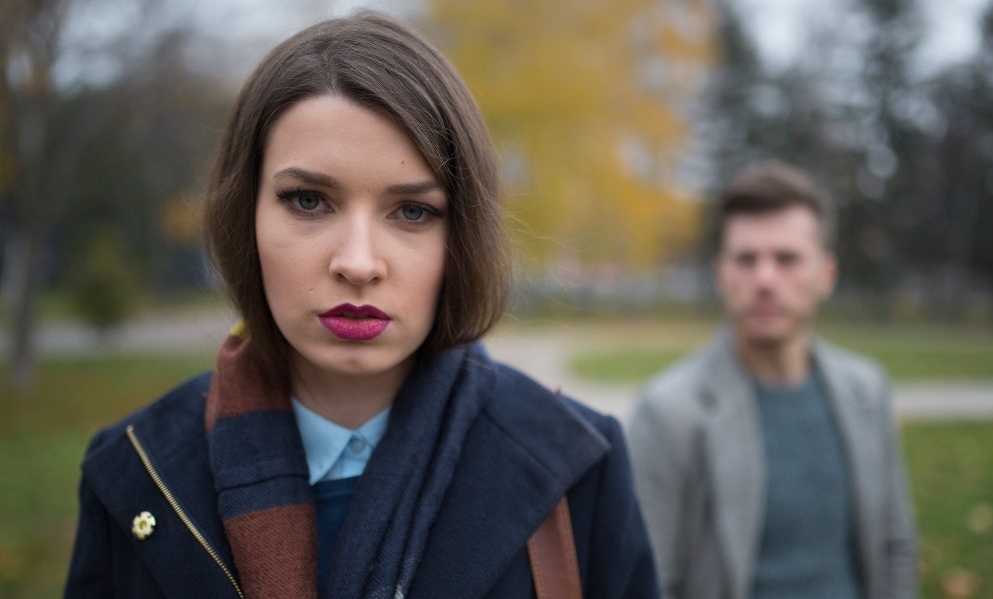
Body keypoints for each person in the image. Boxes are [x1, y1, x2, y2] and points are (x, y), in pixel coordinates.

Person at [64, 12, 657, 598]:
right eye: (308, 201)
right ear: (246, 214)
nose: (358, 262)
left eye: (413, 211)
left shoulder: (577, 465)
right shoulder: (136, 471)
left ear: (462, 236)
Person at [626, 161, 917, 599]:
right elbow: (648, 584)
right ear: (721, 274)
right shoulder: (667, 413)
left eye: (787, 258)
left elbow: (895, 546)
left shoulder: (867, 391)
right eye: (746, 259)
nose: (764, 279)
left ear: (826, 275)